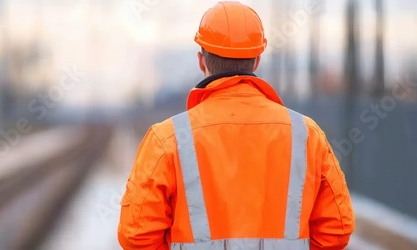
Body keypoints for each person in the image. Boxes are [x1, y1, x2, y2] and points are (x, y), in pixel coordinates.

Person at [117, 1, 355, 249]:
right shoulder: (306, 134)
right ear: (257, 61)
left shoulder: (167, 139)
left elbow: (136, 235)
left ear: (202, 61)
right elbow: (337, 228)